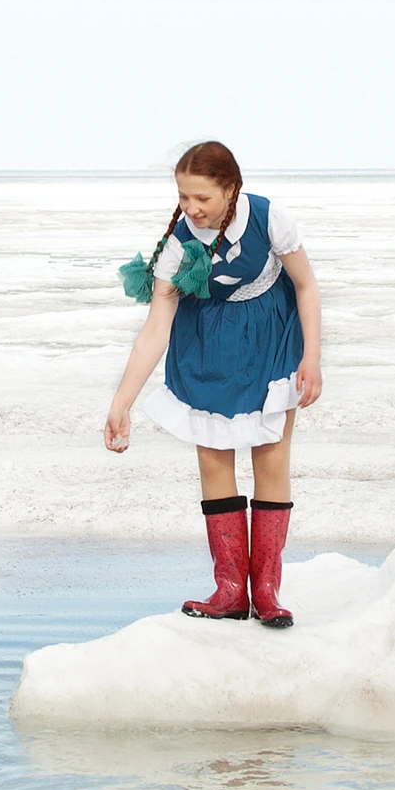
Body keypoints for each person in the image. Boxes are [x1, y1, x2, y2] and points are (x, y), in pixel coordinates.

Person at [101, 140, 324, 626]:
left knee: (270, 458)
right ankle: (228, 590)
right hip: (205, 346)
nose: (192, 208)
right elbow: (156, 329)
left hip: (271, 339)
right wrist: (122, 404)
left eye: (202, 197)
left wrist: (312, 357)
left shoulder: (269, 219)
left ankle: (265, 590)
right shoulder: (178, 246)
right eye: (183, 197)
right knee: (213, 460)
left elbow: (306, 284)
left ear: (230, 189)